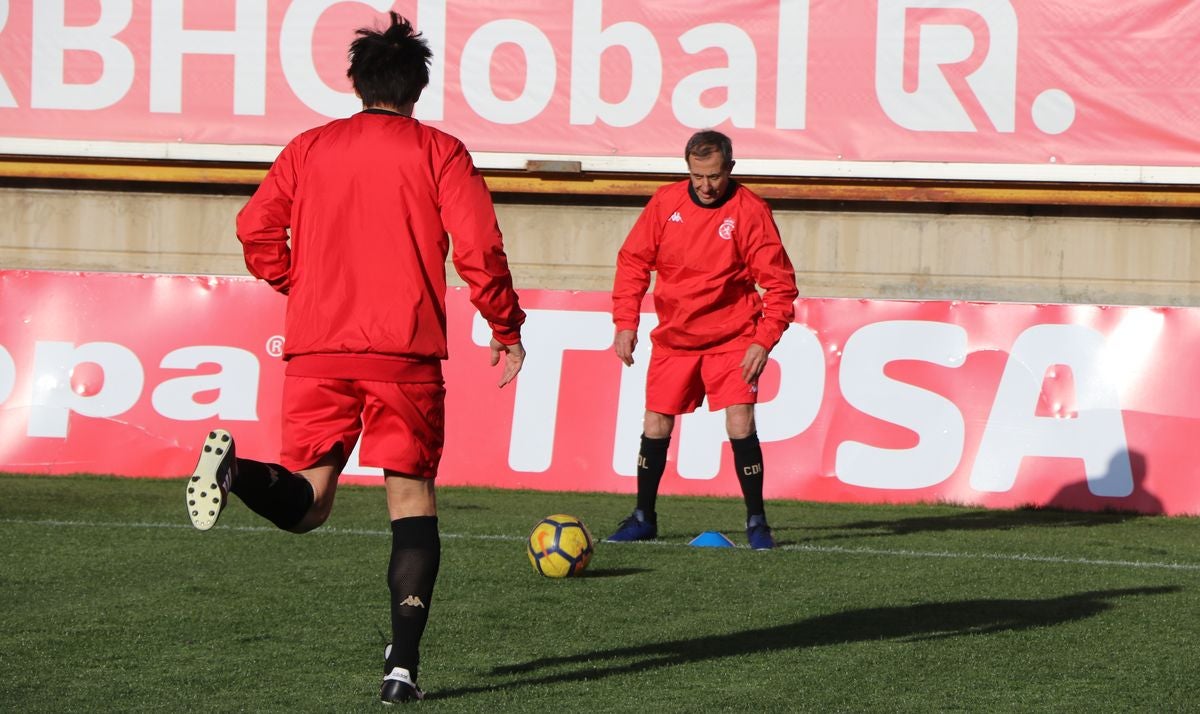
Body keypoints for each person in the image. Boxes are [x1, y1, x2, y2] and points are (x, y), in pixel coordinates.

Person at [184, 12, 526, 704]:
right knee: (411, 501)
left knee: (308, 504)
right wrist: (505, 325)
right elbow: (479, 249)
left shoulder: (310, 147)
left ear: (357, 81)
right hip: (402, 355)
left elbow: (255, 228)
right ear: (418, 87)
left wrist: (298, 283)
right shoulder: (441, 152)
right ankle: (401, 665)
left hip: (317, 349)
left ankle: (239, 470)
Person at [607, 129, 798, 550]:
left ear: (730, 168)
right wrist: (625, 322)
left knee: (740, 421)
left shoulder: (750, 211)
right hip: (675, 337)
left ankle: (757, 522)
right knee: (656, 421)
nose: (706, 186)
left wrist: (762, 340)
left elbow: (780, 286)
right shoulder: (665, 203)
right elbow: (633, 261)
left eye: (713, 176)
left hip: (733, 336)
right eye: (697, 176)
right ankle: (643, 516)